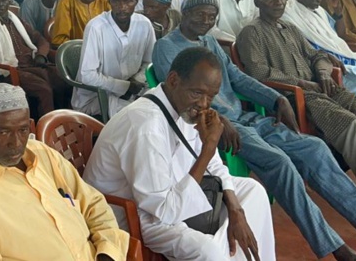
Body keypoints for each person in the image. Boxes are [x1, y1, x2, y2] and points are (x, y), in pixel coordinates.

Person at [152, 0, 356, 261]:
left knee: (315, 148)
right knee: (280, 163)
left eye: (211, 16)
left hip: (247, 119)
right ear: (185, 14)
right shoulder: (167, 46)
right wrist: (218, 119)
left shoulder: (210, 43)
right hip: (216, 124)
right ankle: (334, 247)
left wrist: (275, 100)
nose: (205, 20)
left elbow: (237, 78)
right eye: (199, 14)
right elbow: (179, 96)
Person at [84, 47, 275, 260]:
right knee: (209, 251)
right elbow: (164, 210)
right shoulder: (146, 125)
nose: (203, 104)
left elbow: (214, 166)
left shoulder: (183, 109)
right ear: (174, 80)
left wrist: (235, 209)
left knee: (253, 192)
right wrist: (209, 148)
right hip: (135, 214)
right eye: (197, 93)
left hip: (172, 193)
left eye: (211, 96)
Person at [0, 83, 129, 260]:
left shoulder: (42, 153)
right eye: (3, 132)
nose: (16, 143)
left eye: (23, 130)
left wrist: (108, 254)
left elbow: (93, 204)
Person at [237, 0, 356, 177]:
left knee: (355, 107)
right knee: (349, 123)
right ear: (257, 3)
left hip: (321, 89)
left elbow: (317, 55)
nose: (278, 2)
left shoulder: (290, 28)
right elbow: (258, 72)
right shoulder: (251, 32)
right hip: (295, 96)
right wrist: (301, 83)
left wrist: (322, 73)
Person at [73, 0, 154, 117]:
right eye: (117, 1)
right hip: (99, 96)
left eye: (128, 1)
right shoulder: (96, 27)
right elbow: (87, 75)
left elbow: (149, 62)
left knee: (159, 109)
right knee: (140, 115)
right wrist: (124, 87)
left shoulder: (144, 24)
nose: (122, 7)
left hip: (136, 89)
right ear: (109, 1)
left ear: (136, 1)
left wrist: (137, 81)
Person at [282, 0, 356, 94]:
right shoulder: (288, 10)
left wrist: (338, 12)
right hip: (322, 62)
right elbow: (298, 45)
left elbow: (338, 35)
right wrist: (325, 56)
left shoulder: (320, 11)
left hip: (342, 55)